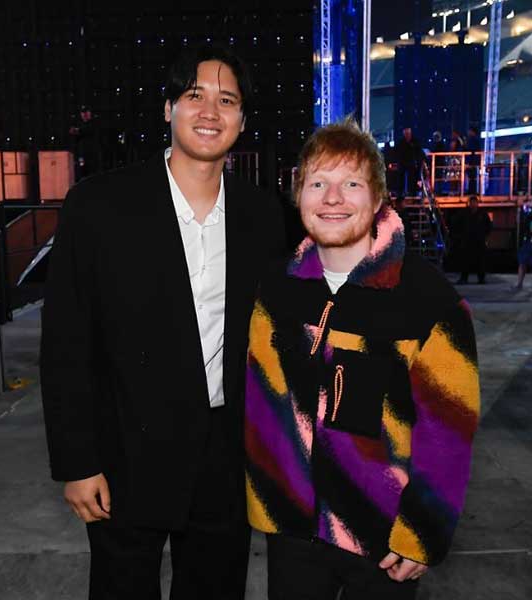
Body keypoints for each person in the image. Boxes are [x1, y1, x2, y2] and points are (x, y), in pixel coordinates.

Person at [40, 44, 285, 600]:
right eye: (194, 95)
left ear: (242, 121)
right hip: (126, 449)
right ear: (168, 107)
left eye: (227, 100)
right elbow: (66, 345)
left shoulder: (262, 215)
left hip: (223, 453)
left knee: (216, 587)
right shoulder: (98, 206)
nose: (210, 112)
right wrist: (77, 462)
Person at [245, 119, 480, 600]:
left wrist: (423, 532)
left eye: (351, 183)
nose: (333, 198)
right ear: (298, 196)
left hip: (383, 539)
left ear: (377, 199)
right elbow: (258, 402)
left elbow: (448, 433)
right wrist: (265, 493)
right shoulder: (275, 291)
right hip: (292, 531)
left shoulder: (431, 304)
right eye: (318, 183)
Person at [454, 195, 492, 284]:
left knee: (481, 261)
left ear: (477, 203)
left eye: (475, 202)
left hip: (479, 241)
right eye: (471, 203)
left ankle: (481, 278)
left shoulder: (482, 214)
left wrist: (485, 236)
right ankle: (464, 278)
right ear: (469, 203)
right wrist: (460, 236)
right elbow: (457, 224)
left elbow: (489, 226)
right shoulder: (464, 213)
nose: (473, 204)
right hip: (467, 240)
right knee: (465, 260)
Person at [70, 105, 103, 180]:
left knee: (93, 175)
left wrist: (77, 130)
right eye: (83, 113)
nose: (84, 115)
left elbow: (86, 130)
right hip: (82, 155)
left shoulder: (94, 123)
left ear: (90, 113)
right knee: (82, 172)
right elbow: (74, 136)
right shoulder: (79, 123)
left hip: (92, 155)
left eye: (86, 112)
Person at [393, 127, 424, 199]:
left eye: (408, 133)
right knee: (400, 177)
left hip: (412, 163)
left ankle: (412, 192)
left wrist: (419, 160)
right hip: (403, 163)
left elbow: (419, 152)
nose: (407, 135)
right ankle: (400, 193)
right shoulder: (401, 142)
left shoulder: (415, 142)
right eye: (406, 134)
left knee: (413, 178)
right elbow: (397, 152)